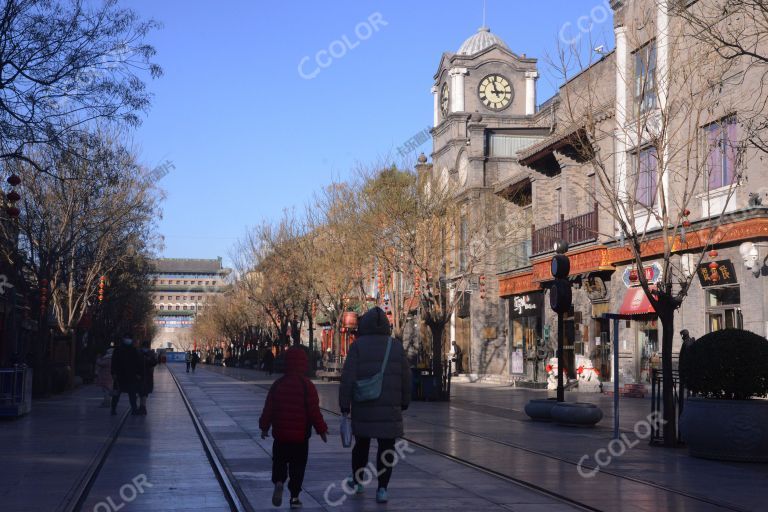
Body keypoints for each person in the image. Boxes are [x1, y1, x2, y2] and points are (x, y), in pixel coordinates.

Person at [339, 307, 411, 504]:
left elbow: (348, 378)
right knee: (387, 448)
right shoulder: (396, 346)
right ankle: (382, 489)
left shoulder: (358, 346)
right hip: (390, 407)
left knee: (361, 446)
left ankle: (358, 481)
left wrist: (344, 405)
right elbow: (406, 377)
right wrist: (405, 401)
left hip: (363, 405)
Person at [259, 347, 328, 509]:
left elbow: (269, 408)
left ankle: (279, 481)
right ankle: (295, 497)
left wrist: (264, 427)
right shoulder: (307, 386)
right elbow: (314, 411)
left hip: (281, 435)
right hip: (300, 438)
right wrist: (322, 429)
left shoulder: (278, 384)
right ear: (304, 364)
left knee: (279, 462)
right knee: (298, 467)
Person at [111, 337, 142, 416]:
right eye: (126, 338)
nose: (128, 340)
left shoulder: (134, 350)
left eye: (129, 338)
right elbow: (113, 362)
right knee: (116, 394)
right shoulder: (118, 349)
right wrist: (113, 373)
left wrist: (138, 373)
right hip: (119, 376)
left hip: (131, 376)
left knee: (132, 395)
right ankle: (113, 409)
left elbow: (138, 363)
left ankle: (134, 409)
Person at [138, 341, 157, 415]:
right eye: (144, 347)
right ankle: (141, 406)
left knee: (145, 392)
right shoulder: (138, 353)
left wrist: (149, 359)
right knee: (140, 392)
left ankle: (143, 407)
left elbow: (154, 363)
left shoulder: (151, 354)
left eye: (146, 347)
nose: (145, 348)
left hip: (148, 376)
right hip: (140, 376)